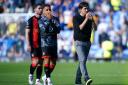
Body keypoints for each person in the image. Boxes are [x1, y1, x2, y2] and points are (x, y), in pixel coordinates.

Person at [73, 2, 97, 85]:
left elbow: (95, 29)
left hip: (87, 42)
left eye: (87, 8)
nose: (87, 10)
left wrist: (93, 20)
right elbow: (80, 28)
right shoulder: (76, 17)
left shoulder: (90, 18)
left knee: (82, 62)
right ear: (80, 9)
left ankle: (77, 81)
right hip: (79, 42)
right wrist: (86, 19)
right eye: (85, 8)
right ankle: (86, 78)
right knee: (82, 60)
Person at [38, 4, 61, 85]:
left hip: (54, 43)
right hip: (45, 43)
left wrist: (51, 21)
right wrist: (49, 21)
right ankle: (48, 79)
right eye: (46, 10)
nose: (48, 11)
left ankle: (45, 77)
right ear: (43, 11)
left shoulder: (55, 19)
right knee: (47, 60)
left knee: (54, 63)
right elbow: (45, 31)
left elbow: (58, 30)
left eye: (49, 9)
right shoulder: (40, 20)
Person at [26, 4, 43, 85]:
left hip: (43, 45)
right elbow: (27, 33)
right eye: (39, 8)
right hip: (34, 44)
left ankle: (37, 81)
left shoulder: (44, 20)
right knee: (35, 62)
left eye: (41, 8)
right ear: (35, 10)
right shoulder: (31, 20)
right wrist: (28, 44)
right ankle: (31, 74)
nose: (41, 9)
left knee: (40, 63)